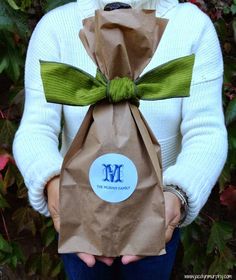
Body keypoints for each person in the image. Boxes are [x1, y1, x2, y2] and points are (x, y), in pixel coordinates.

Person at [13, 0, 228, 279]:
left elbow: (206, 132)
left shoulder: (192, 28)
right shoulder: (56, 28)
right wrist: (54, 186)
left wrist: (178, 194)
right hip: (80, 219)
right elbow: (35, 129)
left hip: (159, 220)